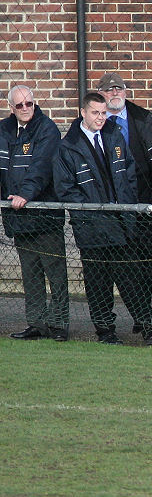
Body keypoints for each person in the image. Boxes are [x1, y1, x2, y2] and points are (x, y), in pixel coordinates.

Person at [53, 93, 152, 345]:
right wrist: (95, 210)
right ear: (83, 112)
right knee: (97, 281)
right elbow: (66, 189)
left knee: (130, 276)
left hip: (120, 222)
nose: (100, 118)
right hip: (92, 226)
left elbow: (128, 172)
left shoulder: (114, 135)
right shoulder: (68, 147)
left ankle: (149, 327)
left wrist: (124, 206)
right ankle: (106, 330)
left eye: (103, 113)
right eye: (95, 112)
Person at [97, 72, 152, 336]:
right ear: (100, 94)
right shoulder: (94, 122)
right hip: (111, 208)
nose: (115, 93)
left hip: (146, 205)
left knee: (146, 261)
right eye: (108, 89)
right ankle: (138, 317)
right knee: (121, 264)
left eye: (119, 88)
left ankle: (142, 315)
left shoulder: (144, 119)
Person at [0, 85, 69, 341]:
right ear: (11, 108)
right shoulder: (4, 130)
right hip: (18, 218)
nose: (26, 109)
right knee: (30, 274)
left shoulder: (47, 128)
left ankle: (60, 324)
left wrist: (25, 194)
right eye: (20, 105)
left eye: (29, 103)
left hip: (44, 215)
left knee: (57, 273)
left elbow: (41, 167)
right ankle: (36, 324)